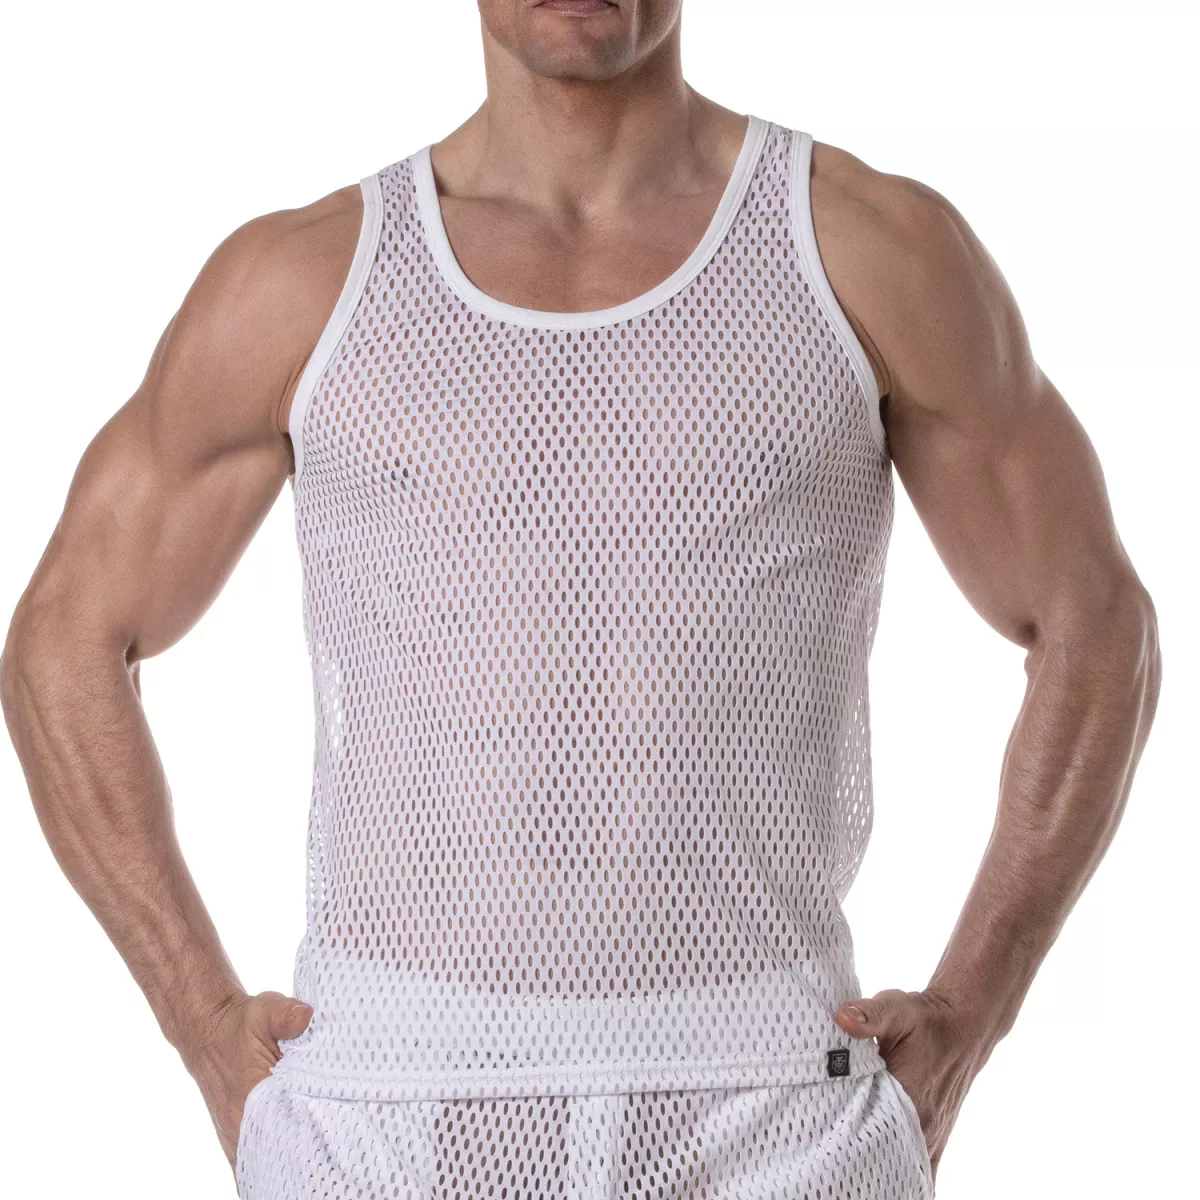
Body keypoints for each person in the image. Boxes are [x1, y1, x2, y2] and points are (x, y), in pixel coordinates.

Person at [0, 1, 1161, 1197]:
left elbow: (1095, 625)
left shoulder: (869, 251)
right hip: (389, 1110)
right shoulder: (302, 282)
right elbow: (66, 639)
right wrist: (199, 1019)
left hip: (772, 1106)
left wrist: (973, 1010)